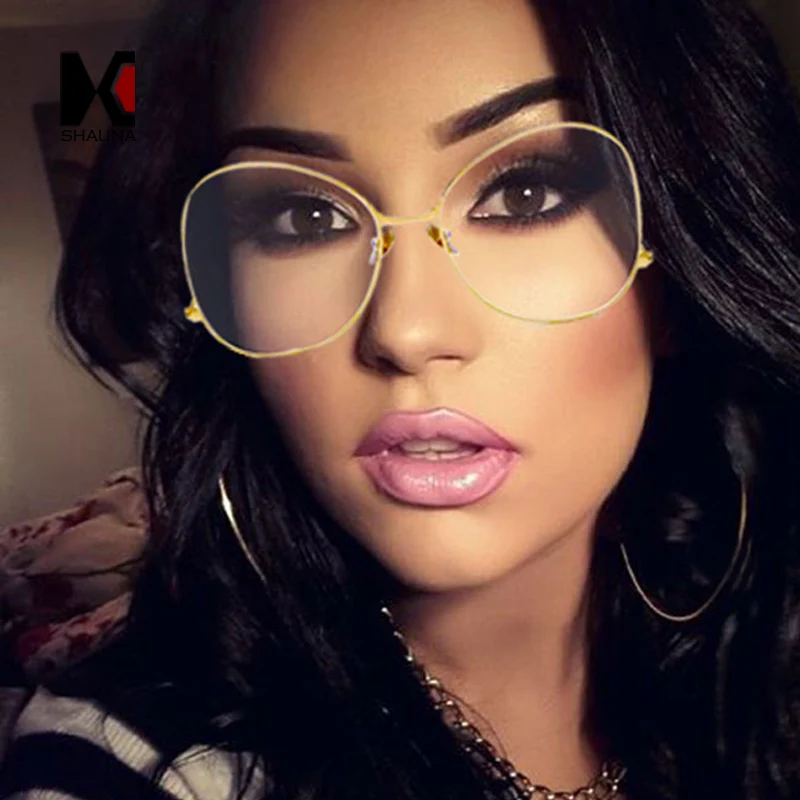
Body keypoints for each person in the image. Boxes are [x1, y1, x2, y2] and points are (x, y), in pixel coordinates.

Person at [2, 0, 800, 797]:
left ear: (679, 272)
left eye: (525, 193)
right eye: (305, 215)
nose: (404, 331)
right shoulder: (134, 766)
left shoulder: (763, 652)